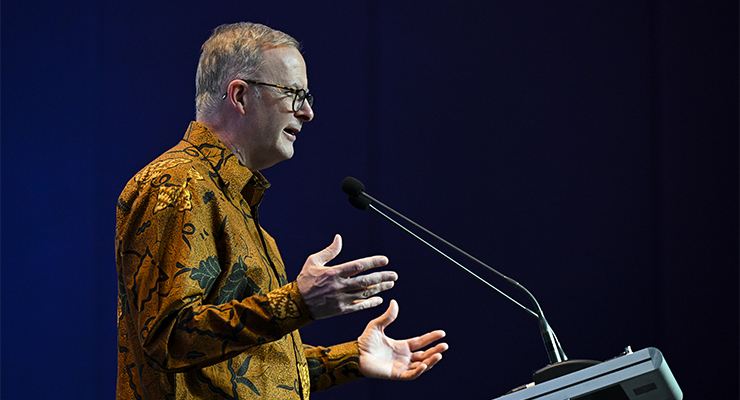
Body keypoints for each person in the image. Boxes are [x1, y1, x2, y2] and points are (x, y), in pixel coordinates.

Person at [115, 22, 448, 399]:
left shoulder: (232, 199)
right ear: (240, 96)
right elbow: (167, 338)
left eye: (307, 97)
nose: (306, 112)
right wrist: (296, 303)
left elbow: (246, 365)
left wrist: (351, 357)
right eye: (293, 93)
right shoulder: (177, 184)